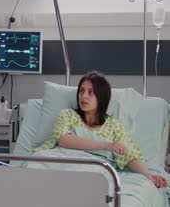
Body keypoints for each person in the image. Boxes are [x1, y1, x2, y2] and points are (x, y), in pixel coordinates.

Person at [37, 71, 168, 188]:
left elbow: (129, 155)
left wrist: (149, 175)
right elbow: (63, 140)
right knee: (36, 165)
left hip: (90, 169)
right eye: (81, 91)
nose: (84, 96)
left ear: (102, 97)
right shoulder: (68, 115)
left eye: (90, 92)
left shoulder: (114, 126)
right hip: (58, 161)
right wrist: (107, 145)